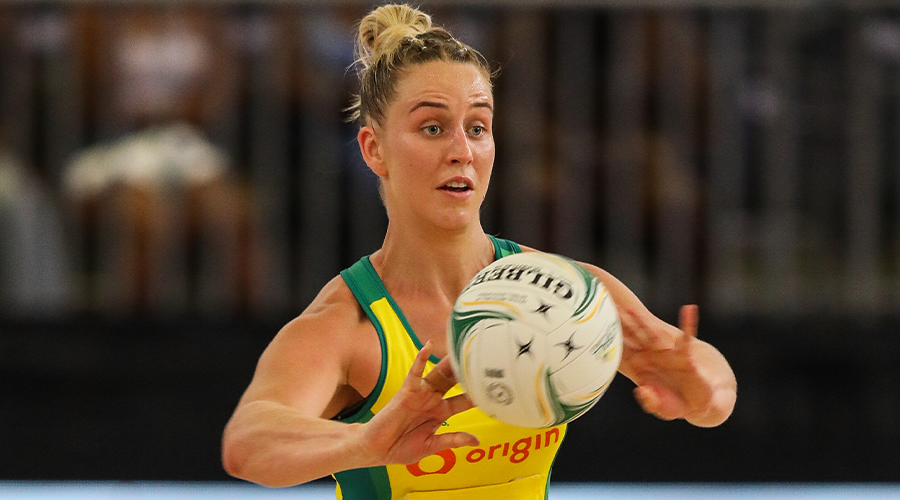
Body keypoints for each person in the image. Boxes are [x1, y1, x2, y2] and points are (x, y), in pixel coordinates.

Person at [222, 4, 737, 498]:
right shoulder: (348, 323)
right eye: (432, 128)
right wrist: (366, 442)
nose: (462, 152)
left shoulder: (563, 294)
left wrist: (699, 389)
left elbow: (710, 389)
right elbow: (247, 444)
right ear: (374, 149)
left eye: (477, 128)